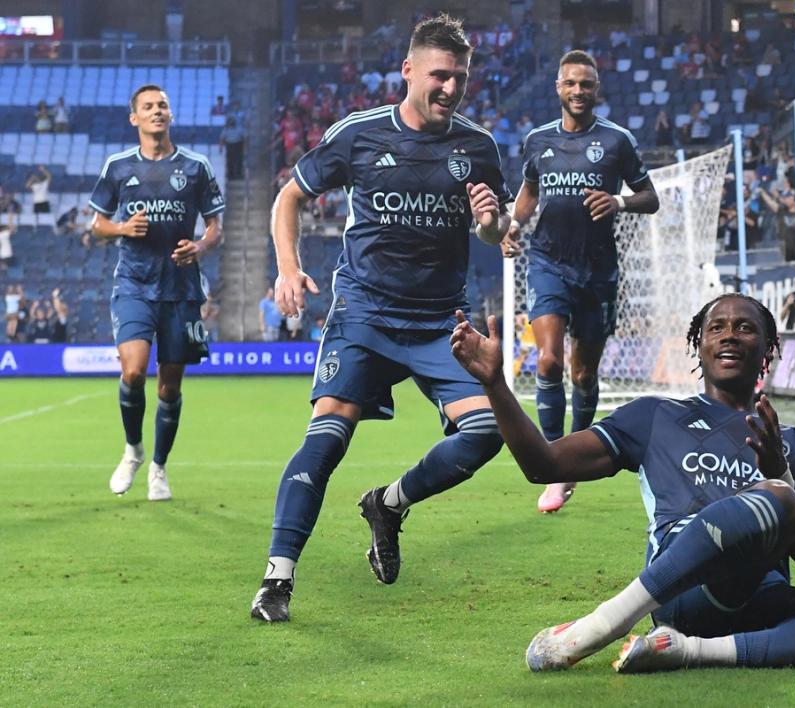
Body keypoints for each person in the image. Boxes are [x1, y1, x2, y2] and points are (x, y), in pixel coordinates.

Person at [450, 295, 795, 673]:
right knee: (780, 496)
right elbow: (543, 465)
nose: (730, 334)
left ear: (769, 346)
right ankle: (602, 624)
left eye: (745, 327)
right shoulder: (655, 415)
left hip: (760, 595)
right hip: (683, 592)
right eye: (717, 327)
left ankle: (688, 652)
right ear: (700, 345)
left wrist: (780, 471)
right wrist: (495, 385)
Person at [250, 14, 512, 623]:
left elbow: (497, 232)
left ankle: (390, 504)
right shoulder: (360, 135)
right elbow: (290, 196)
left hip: (439, 322)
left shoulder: (478, 147)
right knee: (326, 439)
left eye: (461, 79)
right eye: (440, 76)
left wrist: (491, 219)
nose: (451, 89)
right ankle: (276, 579)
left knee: (486, 433)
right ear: (409, 71)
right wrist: (288, 269)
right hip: (363, 313)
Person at [497, 50, 660, 513]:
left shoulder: (617, 141)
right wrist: (513, 224)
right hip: (549, 262)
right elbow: (529, 192)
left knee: (583, 372)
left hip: (599, 271)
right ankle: (556, 464)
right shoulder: (537, 141)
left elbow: (650, 197)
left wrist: (620, 202)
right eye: (570, 83)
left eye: (586, 85)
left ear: (596, 89)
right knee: (547, 361)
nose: (578, 91)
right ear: (558, 87)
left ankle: (574, 458)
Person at [89, 84, 225, 502]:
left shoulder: (196, 166)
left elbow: (216, 228)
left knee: (169, 387)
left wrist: (199, 246)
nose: (157, 111)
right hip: (133, 282)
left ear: (170, 114)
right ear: (134, 118)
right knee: (132, 371)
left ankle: (159, 468)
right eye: (148, 106)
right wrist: (122, 228)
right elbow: (97, 226)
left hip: (181, 290)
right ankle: (133, 450)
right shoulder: (117, 167)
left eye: (162, 105)